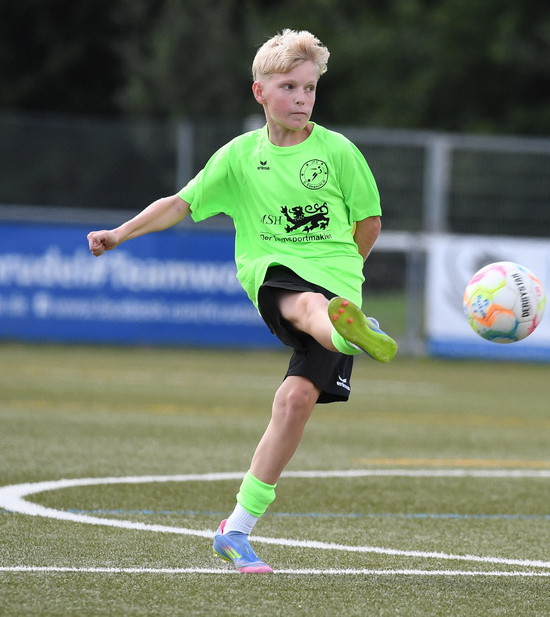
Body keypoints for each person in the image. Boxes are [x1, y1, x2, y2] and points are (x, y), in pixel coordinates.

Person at [87, 29, 397, 573]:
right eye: (289, 87)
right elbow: (179, 204)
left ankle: (236, 530)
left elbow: (368, 222)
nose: (302, 99)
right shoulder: (238, 158)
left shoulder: (340, 152)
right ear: (259, 93)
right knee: (303, 305)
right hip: (273, 275)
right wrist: (119, 234)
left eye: (310, 89)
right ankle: (349, 330)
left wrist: (349, 272)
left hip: (339, 284)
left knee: (294, 404)